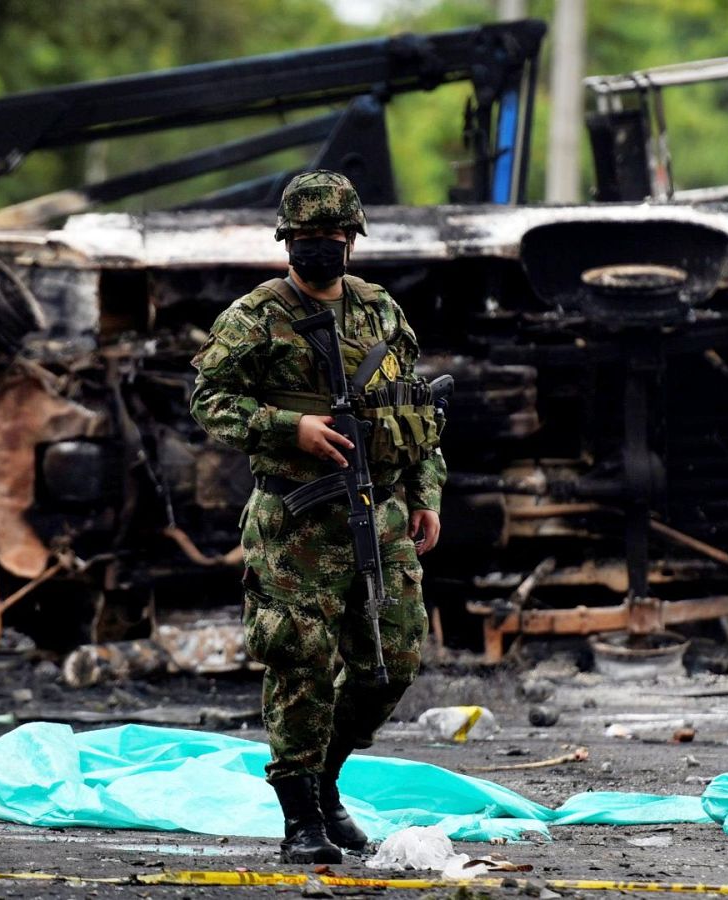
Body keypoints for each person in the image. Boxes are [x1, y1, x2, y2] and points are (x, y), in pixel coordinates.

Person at [190, 170, 446, 863]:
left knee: (391, 664)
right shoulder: (254, 318)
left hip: (380, 513)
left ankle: (327, 782)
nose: (322, 248)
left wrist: (426, 494)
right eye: (309, 238)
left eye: (334, 237)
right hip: (295, 523)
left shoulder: (381, 312)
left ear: (353, 239)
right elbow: (208, 400)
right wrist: (287, 427)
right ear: (287, 241)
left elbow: (419, 412)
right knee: (299, 666)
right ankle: (300, 817)